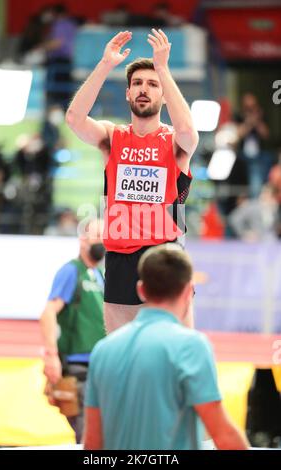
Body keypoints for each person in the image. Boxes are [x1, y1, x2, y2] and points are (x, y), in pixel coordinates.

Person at [66, 29, 199, 333]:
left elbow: (189, 131)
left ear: (163, 96)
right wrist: (104, 65)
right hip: (120, 257)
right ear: (127, 93)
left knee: (173, 348)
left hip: (164, 253)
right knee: (120, 352)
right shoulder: (112, 137)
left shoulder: (175, 142)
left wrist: (162, 68)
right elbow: (74, 119)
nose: (143, 89)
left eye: (153, 85)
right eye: (137, 83)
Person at [82, 244, 249, 450]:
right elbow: (223, 435)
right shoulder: (192, 347)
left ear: (140, 290)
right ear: (189, 292)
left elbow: (92, 443)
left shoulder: (103, 351)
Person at [40, 219, 106, 443]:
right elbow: (48, 313)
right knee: (90, 437)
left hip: (100, 368)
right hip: (78, 368)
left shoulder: (101, 275)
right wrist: (51, 357)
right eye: (98, 235)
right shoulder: (71, 271)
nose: (103, 241)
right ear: (83, 239)